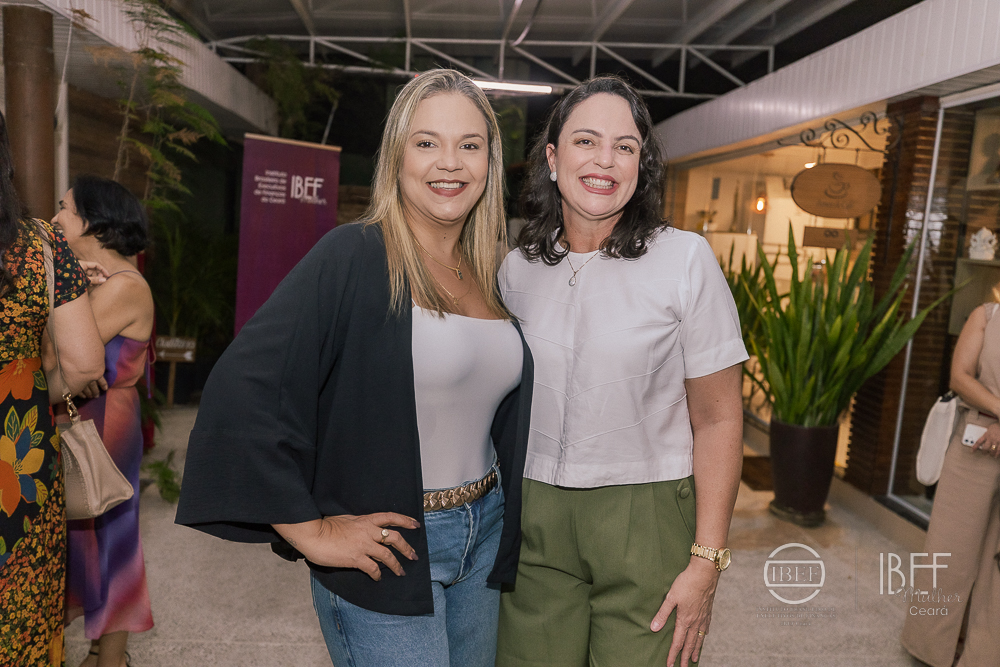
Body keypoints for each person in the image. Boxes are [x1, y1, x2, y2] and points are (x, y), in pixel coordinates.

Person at [175, 69, 533, 667]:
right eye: (427, 142)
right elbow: (242, 389)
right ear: (396, 156)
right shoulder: (356, 254)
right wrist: (309, 530)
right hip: (393, 543)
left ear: (489, 163)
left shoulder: (487, 273)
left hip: (485, 530)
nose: (450, 162)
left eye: (469, 145)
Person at [495, 76, 747, 667]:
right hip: (533, 513)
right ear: (552, 158)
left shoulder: (684, 260)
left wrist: (707, 561)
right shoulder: (516, 270)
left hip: (647, 517)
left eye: (625, 147)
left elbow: (718, 418)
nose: (604, 161)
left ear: (642, 165)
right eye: (586, 141)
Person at [0, 111, 106, 664]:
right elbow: (85, 365)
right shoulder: (40, 244)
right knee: (21, 599)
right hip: (18, 456)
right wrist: (26, 386)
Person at [55, 175, 156, 667]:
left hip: (105, 424)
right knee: (83, 538)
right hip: (85, 416)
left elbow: (59, 353)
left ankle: (110, 659)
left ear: (92, 222)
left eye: (64, 208)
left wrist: (75, 369)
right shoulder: (101, 283)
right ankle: (100, 651)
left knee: (113, 540)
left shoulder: (124, 287)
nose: (55, 218)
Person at [901, 292, 1000, 666]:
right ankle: (930, 646)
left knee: (996, 567)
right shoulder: (986, 316)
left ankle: (984, 656)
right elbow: (960, 377)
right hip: (974, 446)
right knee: (949, 551)